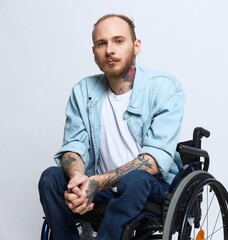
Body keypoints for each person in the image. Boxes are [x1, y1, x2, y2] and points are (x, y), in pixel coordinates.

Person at [38, 13, 185, 240]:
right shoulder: (83, 91)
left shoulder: (165, 89)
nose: (109, 50)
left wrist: (95, 183)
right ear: (94, 51)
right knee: (50, 178)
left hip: (150, 190)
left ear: (136, 46)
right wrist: (79, 179)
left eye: (118, 41)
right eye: (101, 43)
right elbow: (73, 146)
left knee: (135, 179)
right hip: (102, 190)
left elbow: (154, 161)